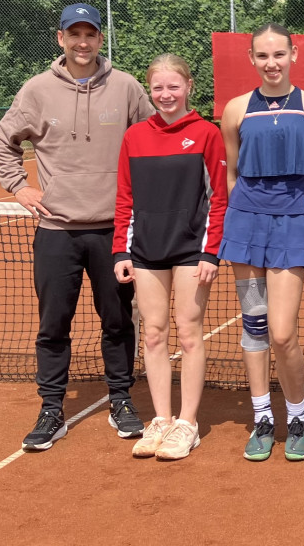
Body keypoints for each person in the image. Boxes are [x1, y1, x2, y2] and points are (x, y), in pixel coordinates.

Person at [0, 3, 154, 451]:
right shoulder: (37, 90)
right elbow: (3, 141)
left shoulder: (126, 86)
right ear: (60, 38)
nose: (83, 42)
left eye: (90, 34)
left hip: (114, 231)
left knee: (117, 321)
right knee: (53, 325)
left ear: (100, 38)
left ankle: (121, 399)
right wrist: (20, 187)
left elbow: (152, 137)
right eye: (74, 34)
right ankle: (51, 409)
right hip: (56, 231)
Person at [218, 23, 304, 462]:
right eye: (263, 56)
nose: (271, 63)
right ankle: (262, 417)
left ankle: (298, 417)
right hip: (246, 224)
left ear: (293, 54)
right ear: (251, 58)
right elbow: (231, 173)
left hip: (293, 223)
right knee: (254, 324)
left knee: (282, 333)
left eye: (279, 54)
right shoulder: (235, 109)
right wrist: (241, 216)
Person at [112, 54, 227, 460]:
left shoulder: (207, 133)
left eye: (173, 86)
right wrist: (121, 249)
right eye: (158, 87)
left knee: (189, 333)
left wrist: (211, 251)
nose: (166, 94)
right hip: (146, 251)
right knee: (154, 334)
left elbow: (218, 198)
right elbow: (125, 197)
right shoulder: (134, 136)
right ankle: (161, 419)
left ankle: (187, 423)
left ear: (189, 86)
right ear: (150, 90)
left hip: (192, 251)